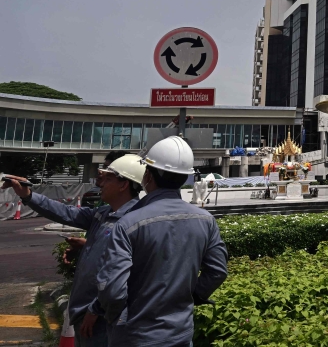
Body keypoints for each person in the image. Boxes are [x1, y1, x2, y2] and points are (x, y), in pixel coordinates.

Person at [90, 136, 228, 346]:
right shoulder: (206, 220)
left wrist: (117, 318)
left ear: (148, 175)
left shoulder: (128, 224)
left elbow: (112, 289)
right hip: (180, 334)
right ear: (185, 178)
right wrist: (191, 297)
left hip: (135, 336)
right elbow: (217, 271)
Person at [1, 152, 146, 347]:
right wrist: (27, 195)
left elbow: (123, 276)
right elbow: (66, 213)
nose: (101, 182)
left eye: (108, 177)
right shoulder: (103, 213)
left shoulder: (134, 221)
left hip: (102, 320)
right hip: (84, 314)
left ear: (124, 184)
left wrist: (96, 310)